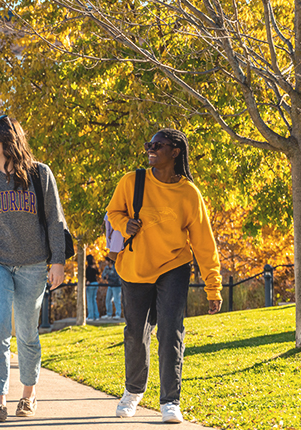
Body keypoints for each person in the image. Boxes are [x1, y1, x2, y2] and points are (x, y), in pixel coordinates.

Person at [106, 128, 222, 424]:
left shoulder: (188, 193)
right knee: (136, 333)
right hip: (135, 267)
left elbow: (204, 243)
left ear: (175, 151)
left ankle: (170, 401)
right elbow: (113, 212)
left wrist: (213, 287)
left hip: (173, 266)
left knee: (171, 331)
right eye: (150, 144)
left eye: (158, 145)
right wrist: (124, 224)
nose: (151, 149)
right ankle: (133, 391)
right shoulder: (132, 181)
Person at [0, 115, 66, 423]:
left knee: (28, 333)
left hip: (33, 263)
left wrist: (58, 261)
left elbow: (55, 219)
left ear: (8, 139)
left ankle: (28, 395)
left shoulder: (40, 174)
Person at [85, 254, 100, 321]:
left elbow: (88, 278)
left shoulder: (88, 268)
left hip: (90, 284)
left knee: (90, 300)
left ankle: (90, 316)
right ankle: (96, 316)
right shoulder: (95, 267)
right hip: (96, 283)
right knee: (94, 300)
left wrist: (87, 284)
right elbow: (98, 274)